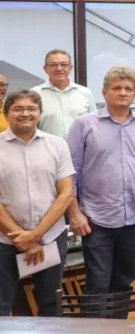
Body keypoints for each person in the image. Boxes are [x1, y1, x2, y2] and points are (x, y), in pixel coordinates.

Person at [66, 67, 135, 314]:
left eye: (128, 89)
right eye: (117, 88)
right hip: (96, 219)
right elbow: (70, 171)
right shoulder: (84, 124)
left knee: (123, 281)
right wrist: (74, 213)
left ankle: (117, 327)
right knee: (98, 284)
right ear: (104, 92)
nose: (123, 92)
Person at [0, 90, 74, 317]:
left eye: (31, 109)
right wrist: (24, 239)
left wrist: (35, 236)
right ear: (6, 113)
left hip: (50, 237)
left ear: (40, 113)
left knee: (51, 305)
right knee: (1, 304)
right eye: (18, 109)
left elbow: (65, 194)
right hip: (4, 241)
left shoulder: (57, 144)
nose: (25, 114)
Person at [33, 49, 97, 138]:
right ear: (45, 69)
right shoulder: (34, 94)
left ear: (70, 68)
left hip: (80, 146)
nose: (59, 68)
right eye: (54, 65)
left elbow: (94, 124)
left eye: (64, 64)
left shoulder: (85, 93)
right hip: (47, 146)